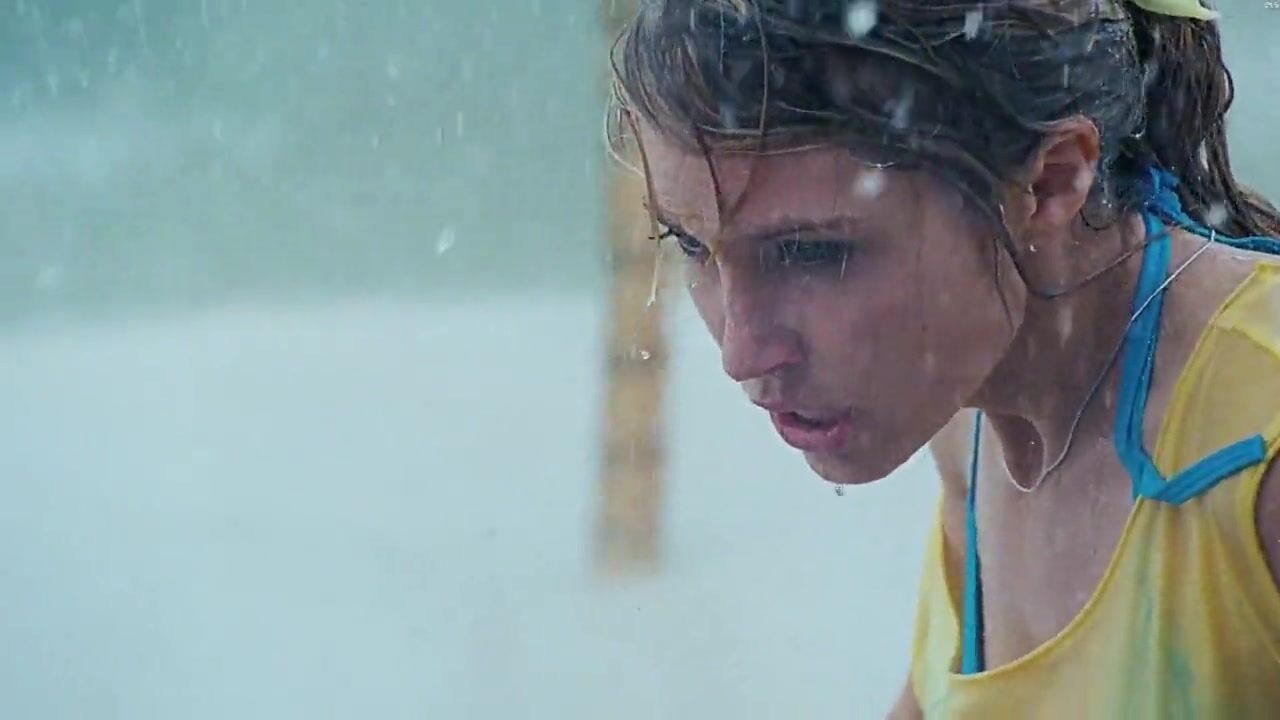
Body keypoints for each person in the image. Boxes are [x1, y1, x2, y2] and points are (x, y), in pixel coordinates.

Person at [607, 1, 1280, 717]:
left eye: (812, 252)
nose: (741, 352)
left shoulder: (1257, 456)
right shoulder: (973, 419)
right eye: (690, 244)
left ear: (1050, 183)